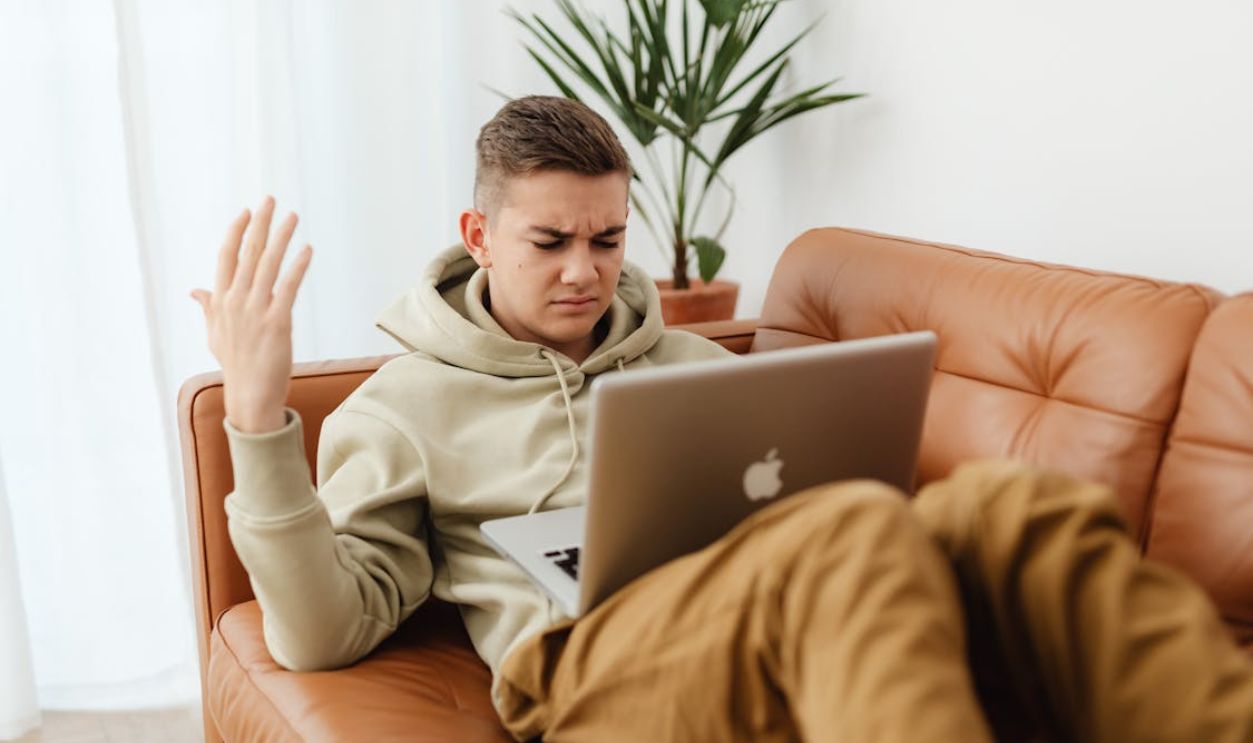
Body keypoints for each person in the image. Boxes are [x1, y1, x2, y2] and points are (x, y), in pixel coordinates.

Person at [191, 96, 1253, 742]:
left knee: (1013, 506)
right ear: (477, 231)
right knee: (852, 533)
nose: (584, 271)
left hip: (758, 610)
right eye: (549, 240)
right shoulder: (401, 405)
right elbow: (322, 631)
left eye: (607, 240)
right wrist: (256, 411)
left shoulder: (695, 364)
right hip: (582, 667)